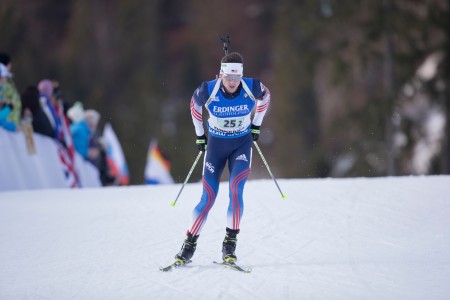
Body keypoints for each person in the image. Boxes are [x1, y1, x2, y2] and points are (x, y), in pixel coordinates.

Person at [173, 52, 271, 265]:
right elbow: (194, 106)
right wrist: (200, 135)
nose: (233, 82)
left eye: (237, 78)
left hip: (241, 146)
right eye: (228, 78)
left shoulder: (251, 86)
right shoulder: (208, 89)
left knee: (236, 189)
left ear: (242, 76)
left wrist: (257, 123)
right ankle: (188, 246)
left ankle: (229, 245)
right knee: (208, 197)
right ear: (221, 75)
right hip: (216, 147)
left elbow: (266, 96)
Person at [0, 53, 21, 126]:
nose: (3, 80)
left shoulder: (8, 81)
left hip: (10, 118)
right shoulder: (5, 85)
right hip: (9, 118)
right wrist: (8, 108)